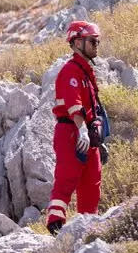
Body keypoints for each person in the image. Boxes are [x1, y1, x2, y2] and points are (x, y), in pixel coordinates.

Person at [46, 20, 107, 235]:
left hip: (88, 135)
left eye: (97, 41)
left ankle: (88, 230)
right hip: (71, 132)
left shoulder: (85, 72)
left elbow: (93, 108)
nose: (96, 44)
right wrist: (81, 129)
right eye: (92, 41)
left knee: (92, 183)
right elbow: (74, 104)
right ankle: (55, 226)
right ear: (77, 42)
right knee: (66, 178)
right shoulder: (70, 71)